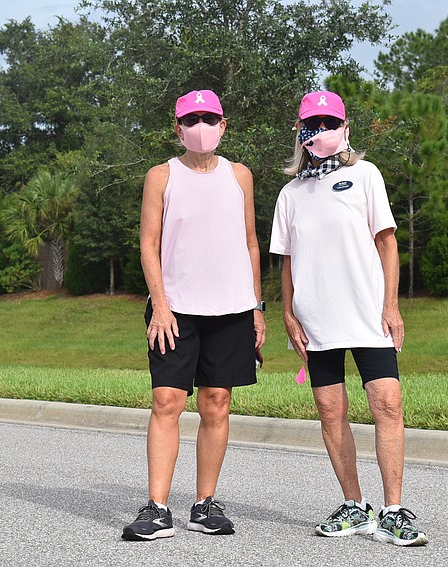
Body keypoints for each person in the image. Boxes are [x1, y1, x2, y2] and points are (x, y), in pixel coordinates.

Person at [269, 90, 428, 546]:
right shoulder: (291, 193)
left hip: (367, 315)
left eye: (330, 122)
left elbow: (387, 242)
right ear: (300, 132)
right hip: (316, 320)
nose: (322, 130)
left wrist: (391, 304)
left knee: (387, 403)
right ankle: (355, 506)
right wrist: (287, 313)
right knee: (330, 410)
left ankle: (394, 510)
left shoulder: (365, 175)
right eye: (313, 124)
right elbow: (287, 261)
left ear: (345, 128)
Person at [122, 89, 266, 541]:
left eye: (209, 118)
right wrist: (160, 305)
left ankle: (204, 505)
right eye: (192, 118)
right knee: (167, 401)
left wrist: (257, 308)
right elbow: (148, 243)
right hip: (175, 310)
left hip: (231, 308)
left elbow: (250, 244)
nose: (200, 126)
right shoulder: (161, 175)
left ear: (224, 125)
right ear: (178, 127)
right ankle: (158, 507)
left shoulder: (239, 175)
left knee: (216, 404)